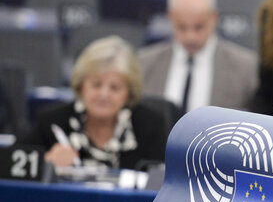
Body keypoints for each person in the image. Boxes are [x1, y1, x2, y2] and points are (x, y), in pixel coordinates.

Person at [22, 35, 166, 169]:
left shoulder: (151, 127)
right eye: (96, 85)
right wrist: (45, 163)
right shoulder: (51, 122)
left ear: (129, 93)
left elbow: (168, 183)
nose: (104, 95)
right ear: (81, 85)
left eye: (115, 88)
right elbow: (10, 168)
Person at [138, 0, 258, 113]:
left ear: (214, 18)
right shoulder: (144, 64)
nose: (190, 37)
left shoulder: (246, 69)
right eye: (181, 27)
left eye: (199, 27)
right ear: (170, 17)